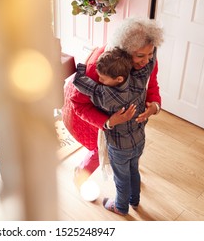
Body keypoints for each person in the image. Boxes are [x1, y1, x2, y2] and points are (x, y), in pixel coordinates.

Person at [61, 17, 163, 191]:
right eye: (140, 56)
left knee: (128, 147)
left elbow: (152, 85)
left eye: (150, 54)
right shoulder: (100, 67)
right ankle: (80, 174)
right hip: (86, 114)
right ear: (124, 51)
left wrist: (154, 105)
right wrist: (108, 122)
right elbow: (79, 104)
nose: (147, 61)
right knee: (100, 150)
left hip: (123, 118)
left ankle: (129, 174)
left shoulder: (148, 62)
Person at [73, 45, 159, 215]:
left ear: (119, 79)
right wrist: (152, 49)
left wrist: (83, 65)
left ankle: (120, 206)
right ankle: (135, 200)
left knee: (121, 178)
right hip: (139, 140)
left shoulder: (106, 96)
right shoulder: (140, 80)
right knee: (134, 171)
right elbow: (151, 62)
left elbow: (81, 83)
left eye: (103, 79)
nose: (100, 81)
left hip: (119, 147)